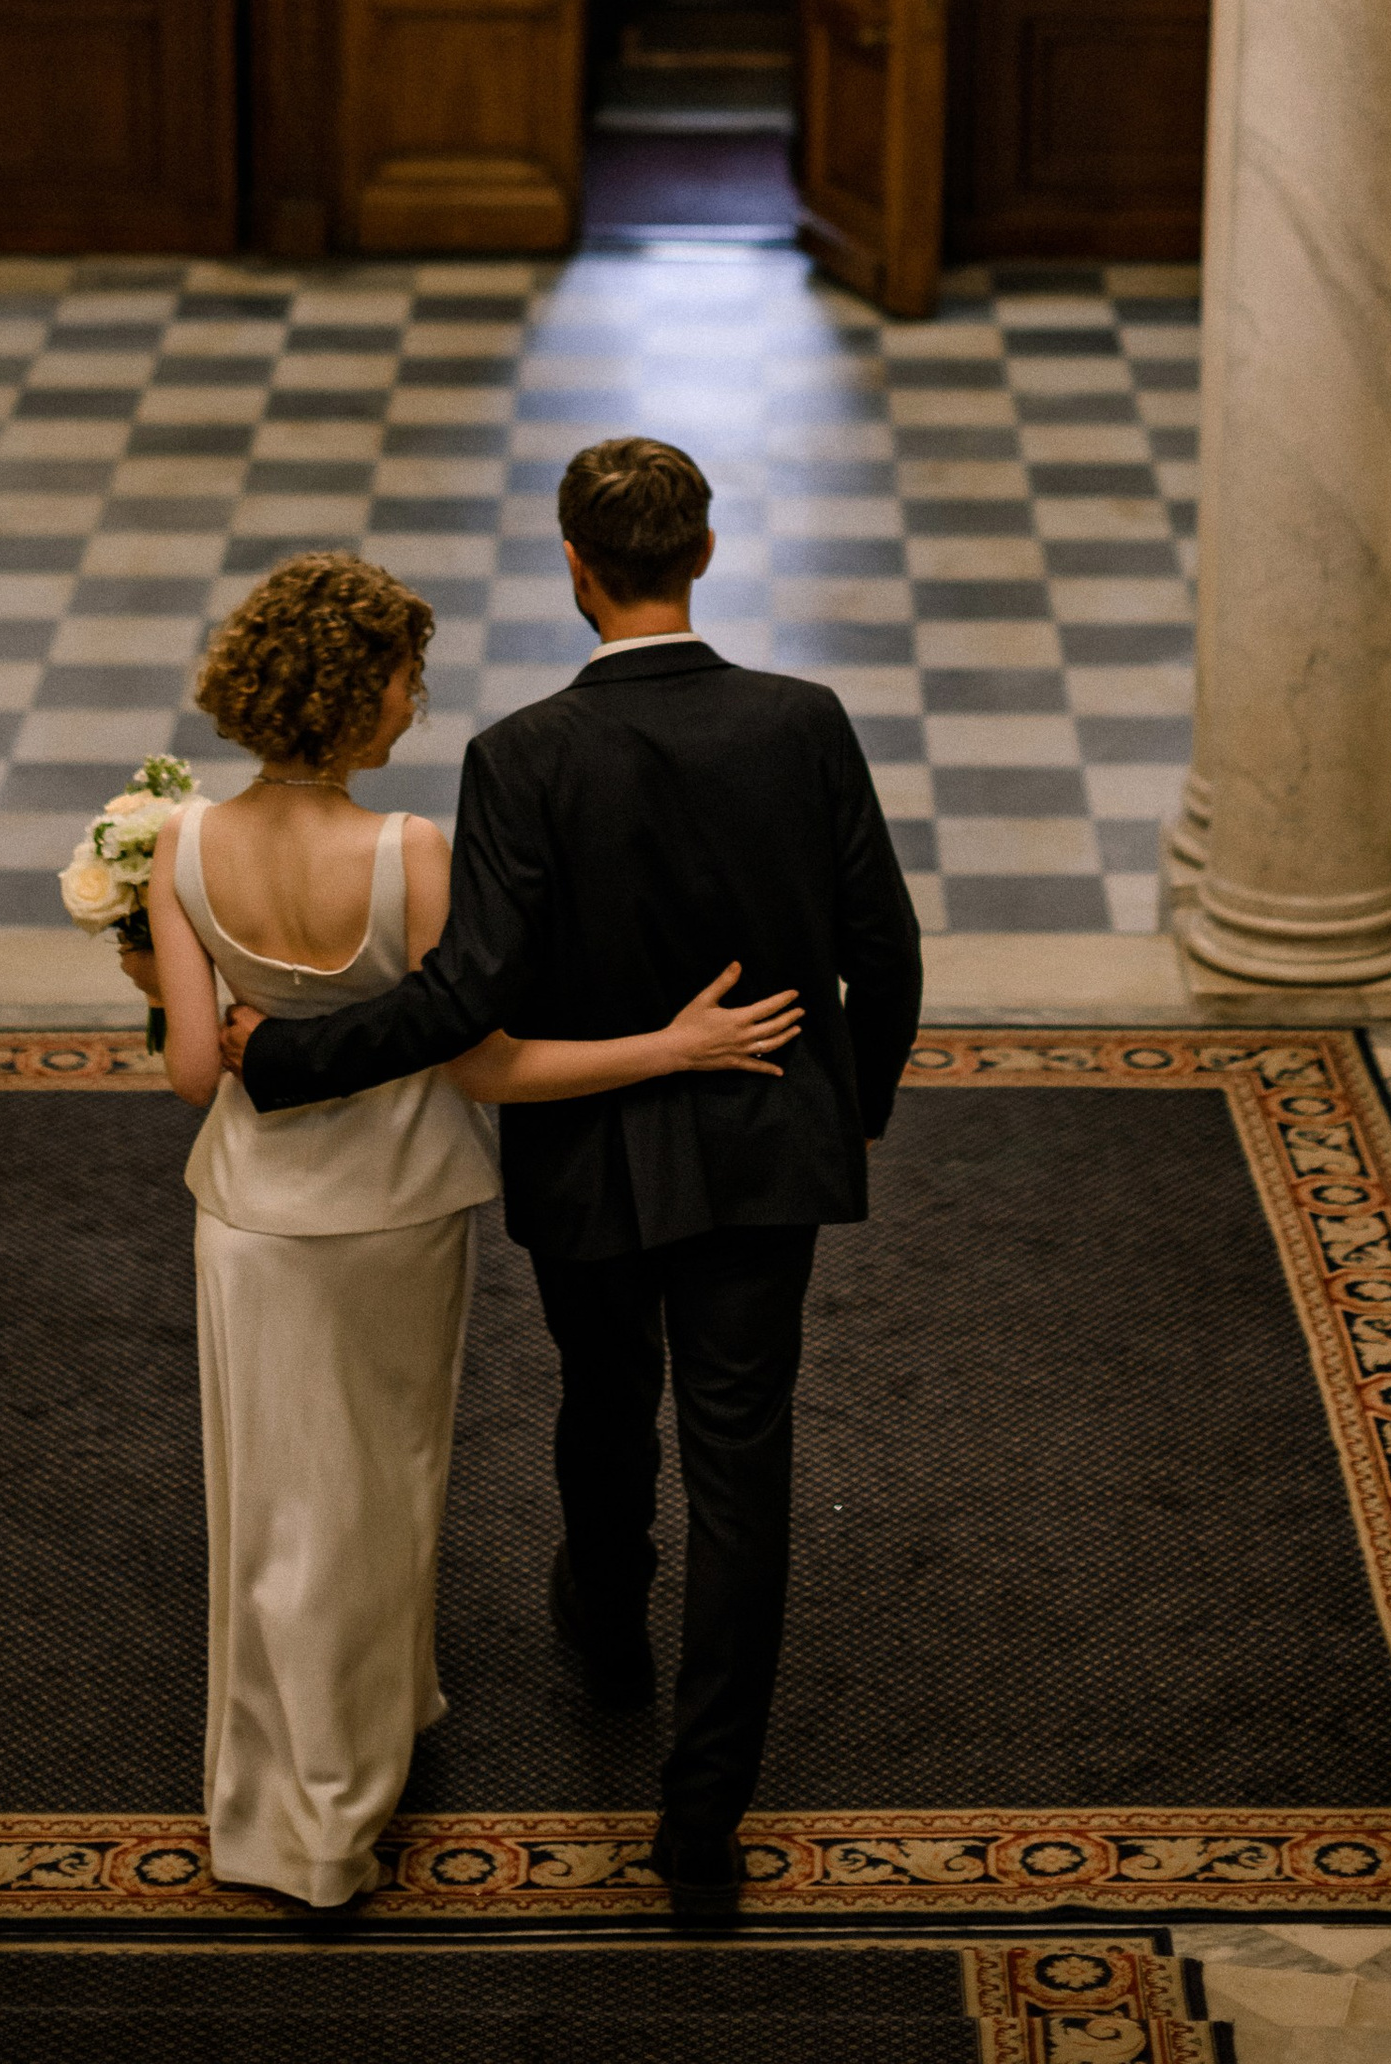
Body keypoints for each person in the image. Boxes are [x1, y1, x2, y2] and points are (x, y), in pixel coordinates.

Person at [226, 436, 925, 1929]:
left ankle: (605, 1635)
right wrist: (847, 1110)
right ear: (708, 554)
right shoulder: (806, 723)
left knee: (605, 1400)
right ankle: (703, 1819)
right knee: (747, 1463)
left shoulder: (522, 757)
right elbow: (887, 944)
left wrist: (280, 1061)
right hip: (764, 1135)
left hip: (591, 1157)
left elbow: (469, 996)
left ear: (572, 568)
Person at [125, 548, 805, 1914]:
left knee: (272, 1501)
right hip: (392, 1213)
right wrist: (669, 1048)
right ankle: (345, 1794)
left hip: (251, 1220)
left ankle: (292, 1788)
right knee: (381, 1489)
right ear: (358, 696)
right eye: (404, 678)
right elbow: (487, 1068)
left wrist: (154, 964)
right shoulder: (407, 853)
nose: (415, 702)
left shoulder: (180, 848)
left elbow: (199, 1073)